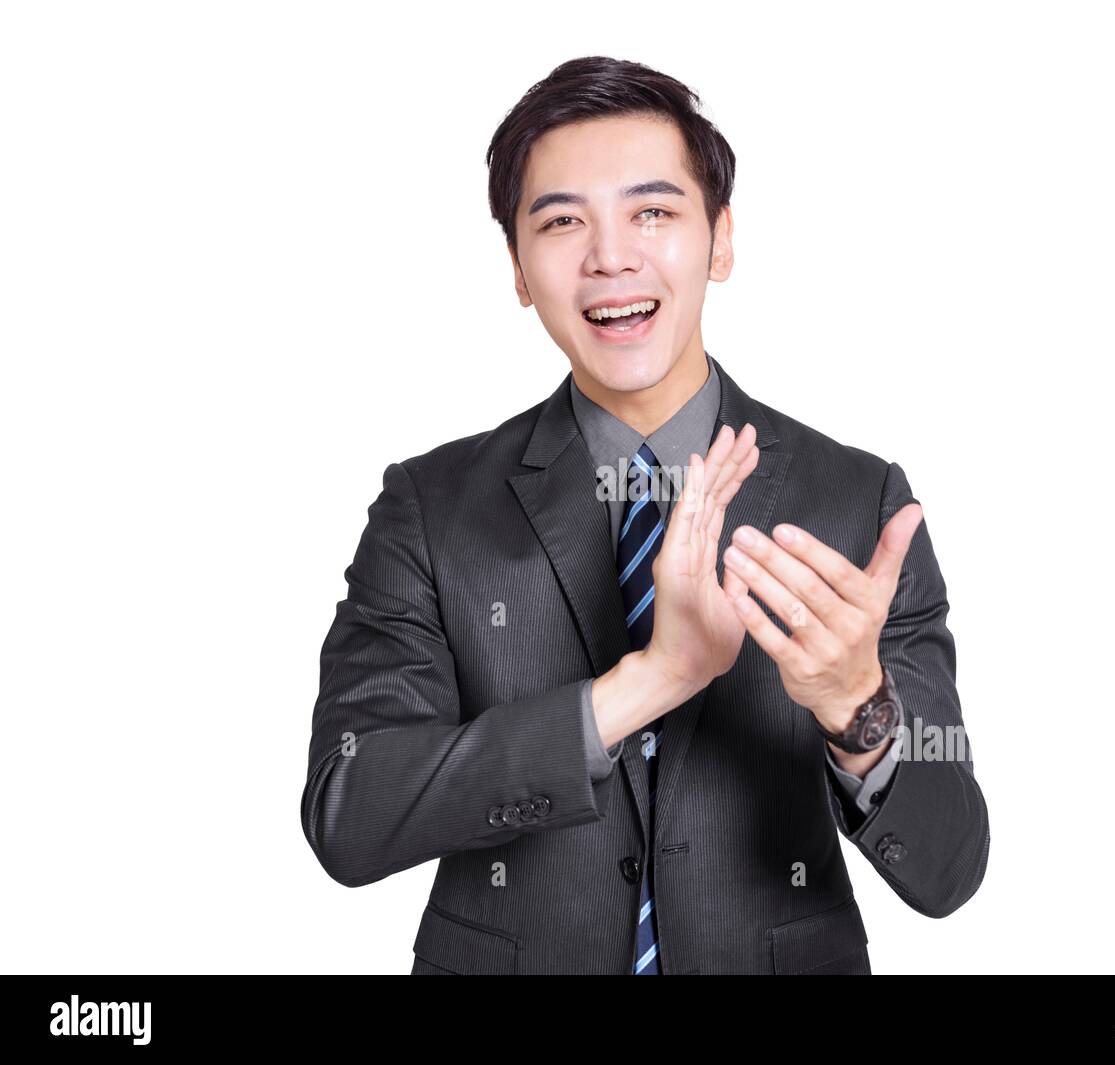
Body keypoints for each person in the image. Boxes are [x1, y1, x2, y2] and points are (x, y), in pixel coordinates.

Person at [300, 55, 989, 975]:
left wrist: (855, 710)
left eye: (653, 212)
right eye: (561, 221)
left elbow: (947, 869)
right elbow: (351, 809)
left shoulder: (856, 502)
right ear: (516, 266)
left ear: (722, 239)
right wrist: (648, 682)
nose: (609, 256)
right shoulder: (428, 510)